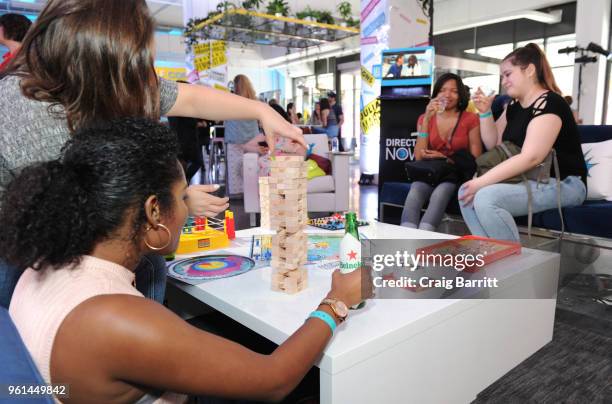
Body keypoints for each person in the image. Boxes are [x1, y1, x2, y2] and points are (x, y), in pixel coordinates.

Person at [3, 118, 366, 403]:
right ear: (153, 210)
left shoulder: (40, 264)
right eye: (182, 197)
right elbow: (273, 379)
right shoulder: (113, 319)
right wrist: (336, 302)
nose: (187, 209)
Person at [0, 0, 305, 309]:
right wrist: (176, 204)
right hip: (19, 257)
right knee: (148, 265)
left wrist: (261, 110)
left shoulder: (97, 78)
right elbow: (86, 216)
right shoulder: (30, 111)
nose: (148, 67)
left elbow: (191, 99)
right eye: (140, 56)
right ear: (103, 56)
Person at [459, 43, 587, 242]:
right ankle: (489, 253)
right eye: (502, 76)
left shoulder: (550, 103)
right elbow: (493, 143)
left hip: (566, 183)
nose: (504, 82)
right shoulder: (513, 106)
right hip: (532, 179)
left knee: (485, 197)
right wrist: (485, 113)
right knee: (465, 192)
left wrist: (482, 182)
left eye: (508, 74)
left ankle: (512, 264)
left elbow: (531, 157)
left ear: (529, 70)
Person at [401, 73, 482, 231]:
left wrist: (445, 157)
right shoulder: (425, 118)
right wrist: (425, 120)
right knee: (415, 191)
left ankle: (425, 238)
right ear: (436, 93)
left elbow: (476, 158)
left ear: (460, 95)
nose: (447, 94)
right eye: (443, 90)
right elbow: (419, 156)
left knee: (440, 193)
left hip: (455, 174)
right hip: (431, 172)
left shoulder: (470, 119)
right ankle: (406, 241)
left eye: (454, 91)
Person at [224, 74, 263, 196]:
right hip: (252, 140)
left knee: (235, 171)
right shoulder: (254, 101)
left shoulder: (230, 100)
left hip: (234, 140)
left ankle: (237, 194)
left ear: (235, 86)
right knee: (251, 168)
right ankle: (252, 193)